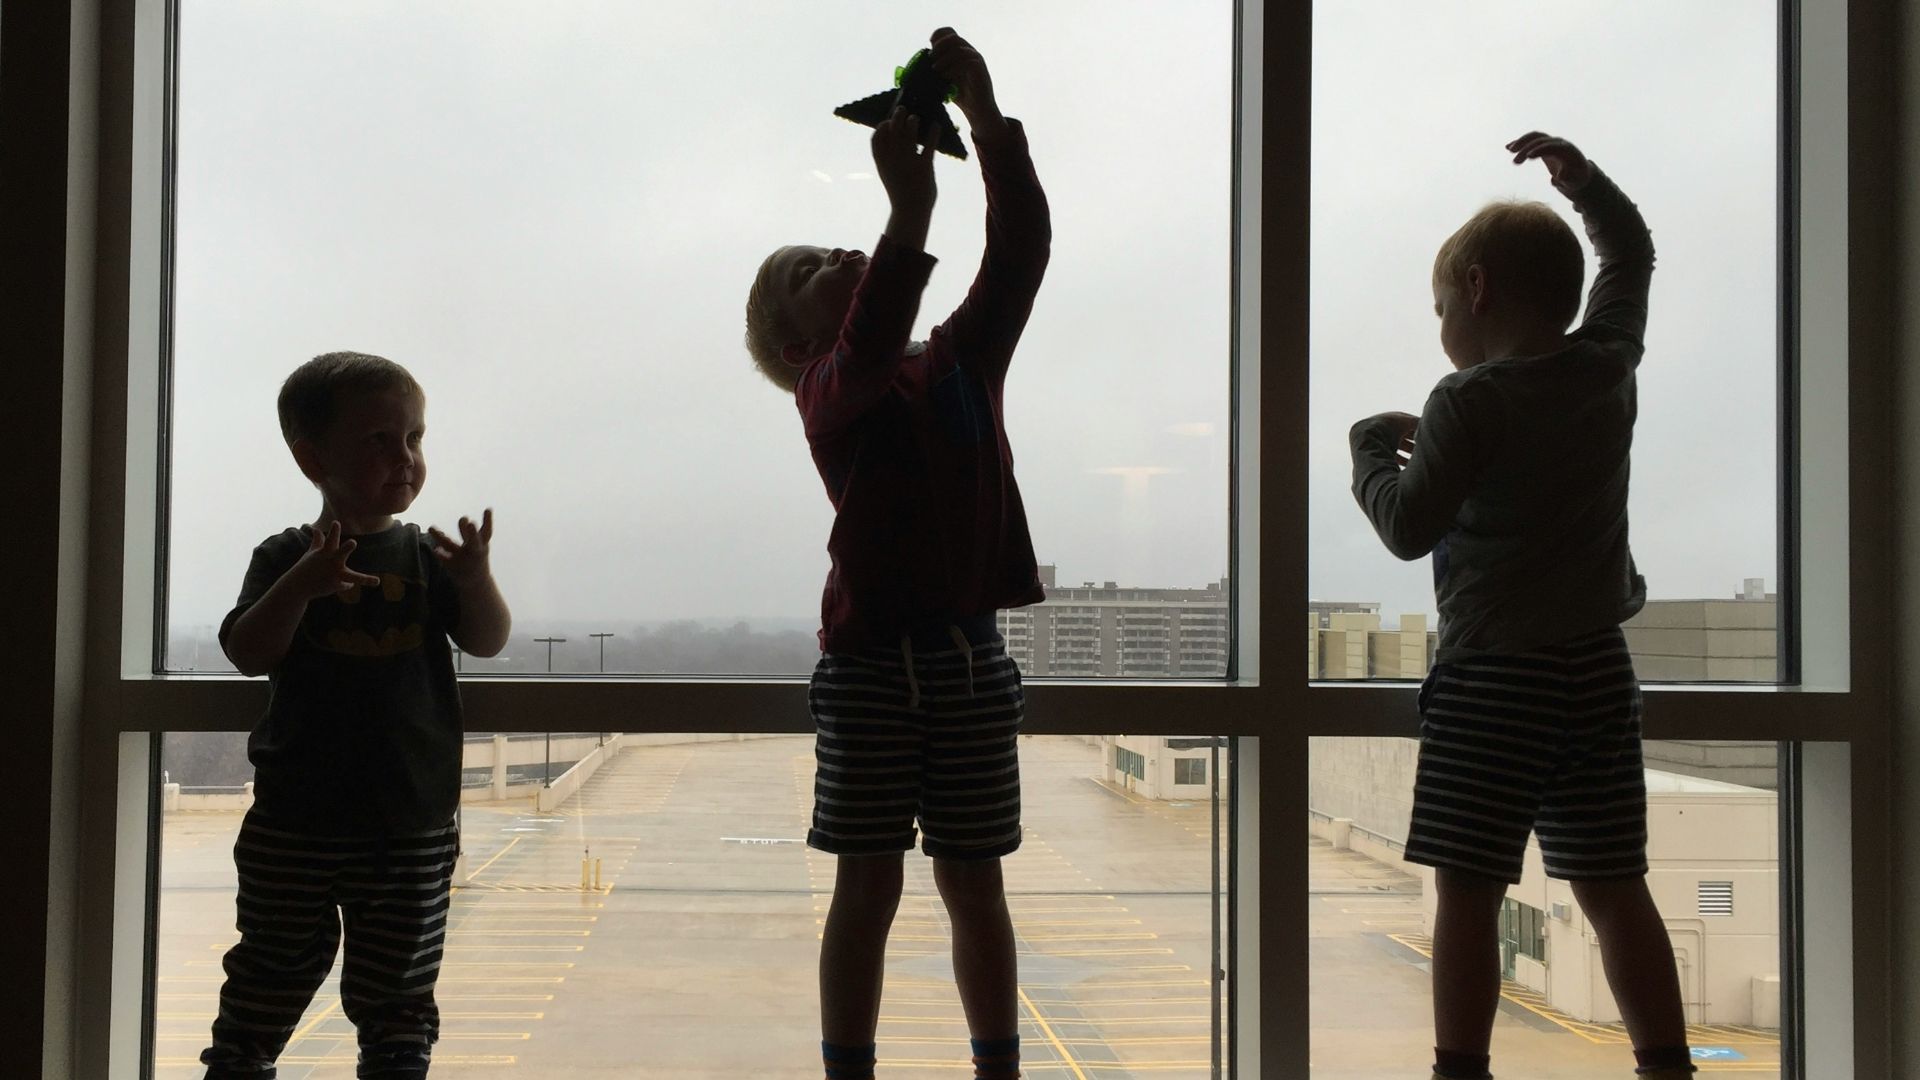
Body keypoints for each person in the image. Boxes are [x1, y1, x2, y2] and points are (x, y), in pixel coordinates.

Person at [1349, 133, 1694, 1080]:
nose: (1441, 328)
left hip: (1494, 679)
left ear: (1475, 287)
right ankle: (1666, 1067)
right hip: (1596, 671)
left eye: (1440, 308)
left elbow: (1407, 527)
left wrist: (1369, 452)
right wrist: (1584, 184)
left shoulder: (1468, 401)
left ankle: (1460, 1071)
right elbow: (1631, 257)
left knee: (1468, 895)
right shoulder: (1606, 364)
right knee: (1615, 889)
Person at [742, 27, 1049, 1080]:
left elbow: (1020, 254)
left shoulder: (960, 361)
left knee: (976, 884)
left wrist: (987, 118)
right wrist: (908, 212)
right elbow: (869, 342)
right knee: (866, 886)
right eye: (807, 271)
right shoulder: (827, 397)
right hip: (871, 670)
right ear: (797, 350)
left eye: (832, 248)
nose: (837, 255)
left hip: (969, 662)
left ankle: (997, 1066)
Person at [201, 350, 511, 1080]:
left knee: (398, 993)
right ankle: (241, 1062)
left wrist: (475, 578)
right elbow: (248, 650)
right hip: (296, 818)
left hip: (410, 818)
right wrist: (300, 586)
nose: (405, 457)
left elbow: (487, 640)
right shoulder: (285, 555)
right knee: (269, 971)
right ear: (313, 458)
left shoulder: (428, 557)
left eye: (414, 438)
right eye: (379, 440)